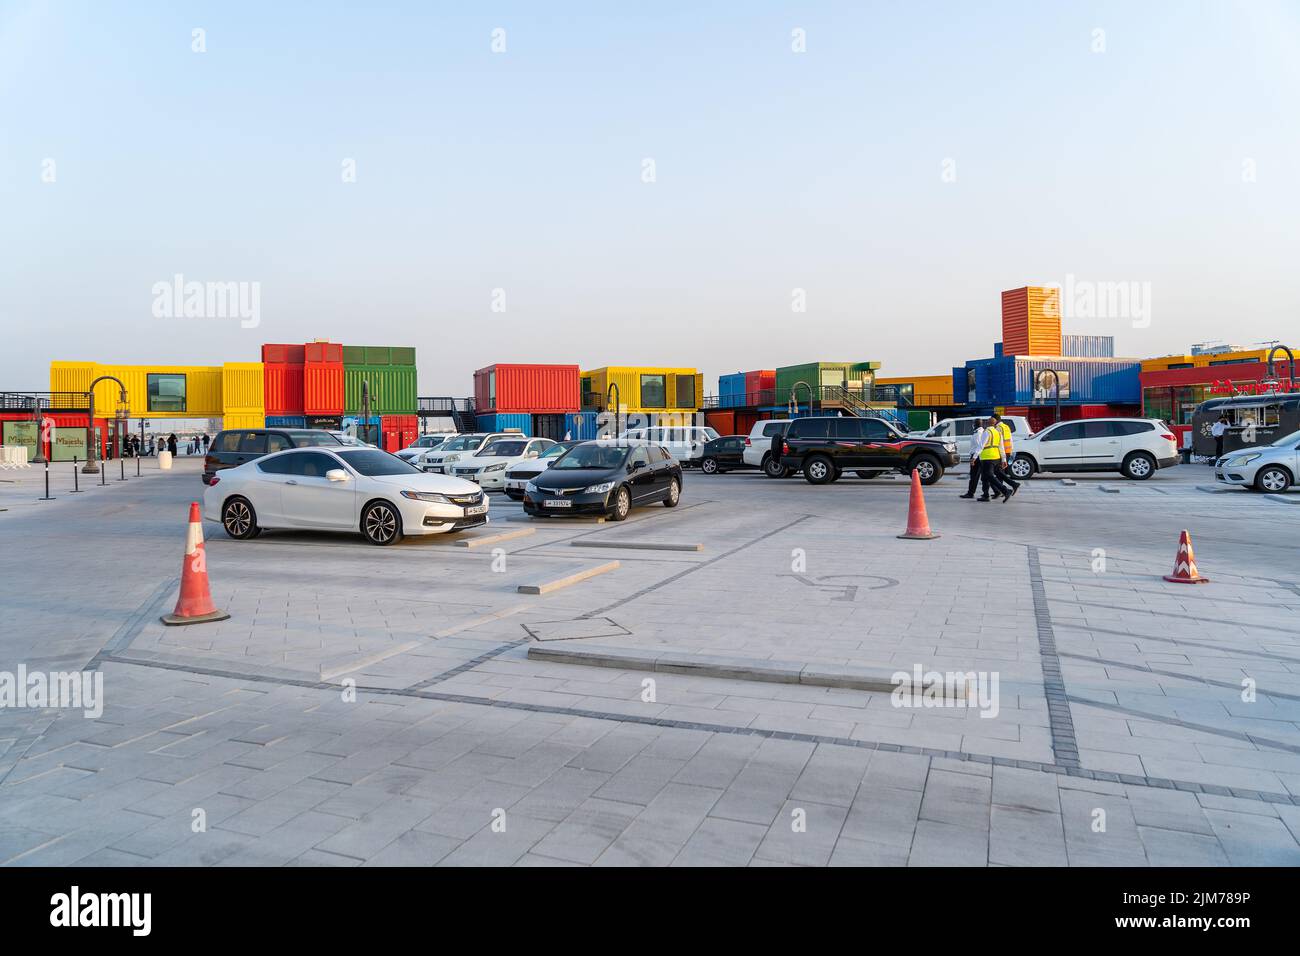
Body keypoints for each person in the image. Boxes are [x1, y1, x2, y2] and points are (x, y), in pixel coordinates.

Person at [977, 417, 1012, 502]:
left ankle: (1005, 490)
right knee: (985, 477)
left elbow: (981, 446)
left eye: (986, 422)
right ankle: (986, 495)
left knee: (990, 476)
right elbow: (1001, 447)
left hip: (987, 458)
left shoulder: (986, 432)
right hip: (996, 457)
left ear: (988, 423)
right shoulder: (998, 432)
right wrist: (1003, 459)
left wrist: (974, 457)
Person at [992, 413, 1020, 496]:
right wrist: (1011, 451)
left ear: (995, 420)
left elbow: (998, 442)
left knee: (998, 472)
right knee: (1000, 472)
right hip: (1007, 451)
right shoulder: (1006, 427)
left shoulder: (998, 428)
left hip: (1002, 452)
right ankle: (1001, 490)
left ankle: (1012, 485)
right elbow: (1010, 439)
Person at [959, 420, 988, 499]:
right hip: (978, 456)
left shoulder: (978, 433)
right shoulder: (979, 432)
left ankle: (970, 493)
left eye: (973, 423)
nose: (972, 425)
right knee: (980, 476)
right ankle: (994, 491)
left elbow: (979, 446)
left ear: (975, 424)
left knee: (974, 476)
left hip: (976, 456)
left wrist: (974, 458)